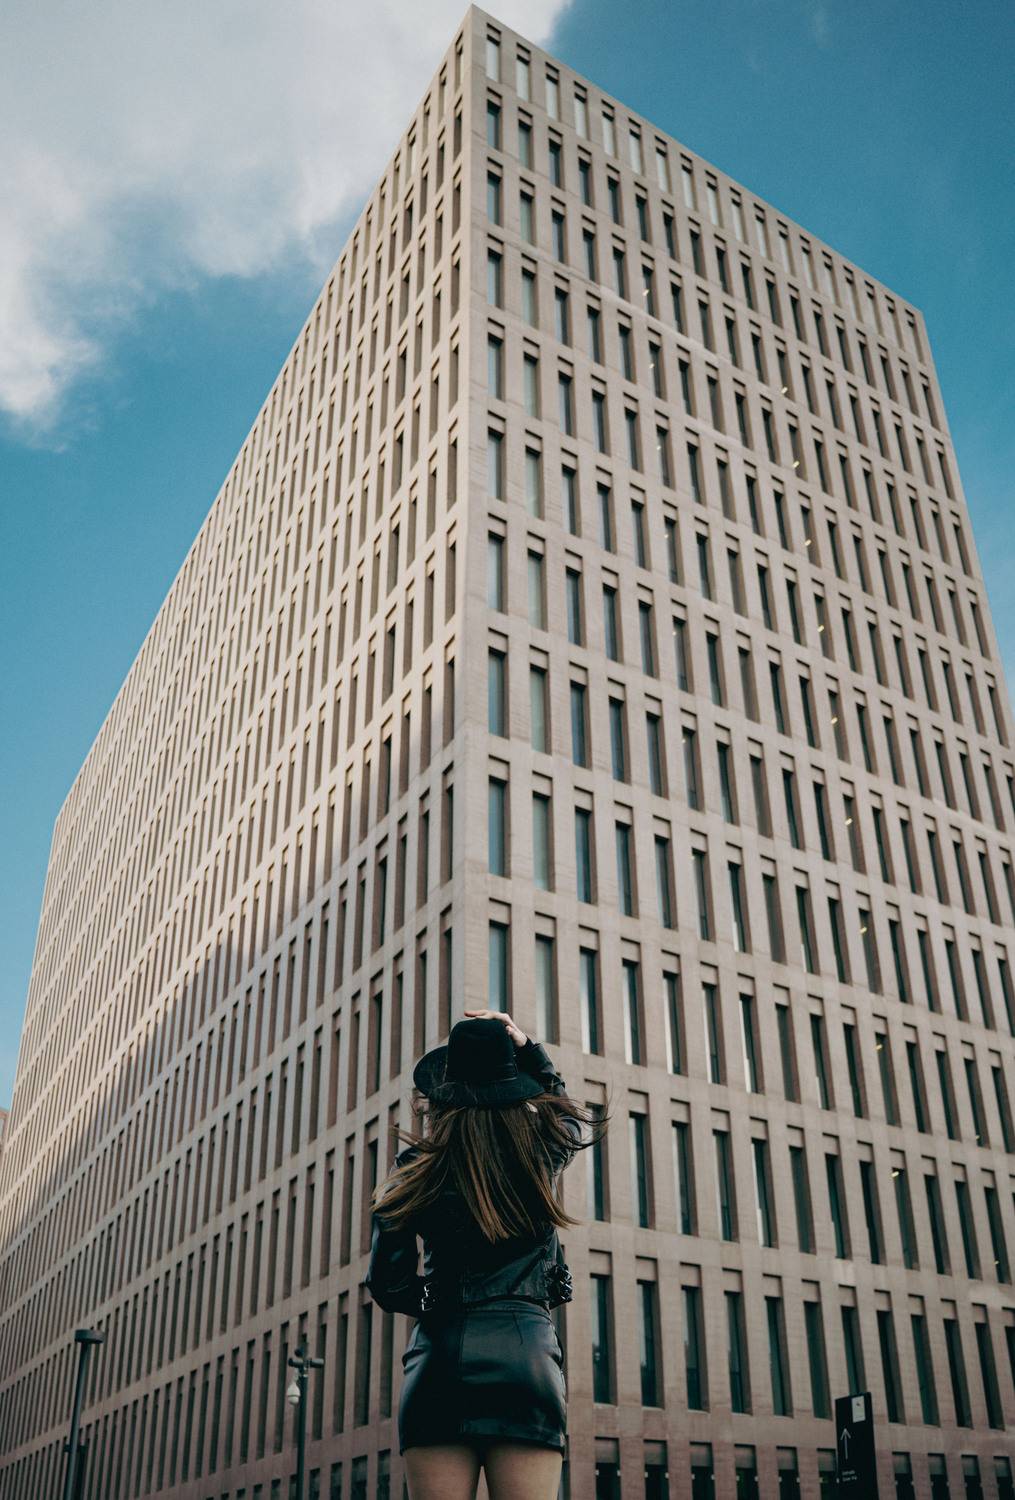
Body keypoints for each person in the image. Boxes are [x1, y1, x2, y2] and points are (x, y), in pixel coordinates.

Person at [366, 1008, 611, 1500]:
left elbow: (390, 1284)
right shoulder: (541, 1155)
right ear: (515, 1090)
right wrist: (530, 1051)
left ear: (443, 1093)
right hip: (526, 1361)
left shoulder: (414, 1168)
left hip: (439, 1360)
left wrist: (437, 1299)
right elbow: (568, 1115)